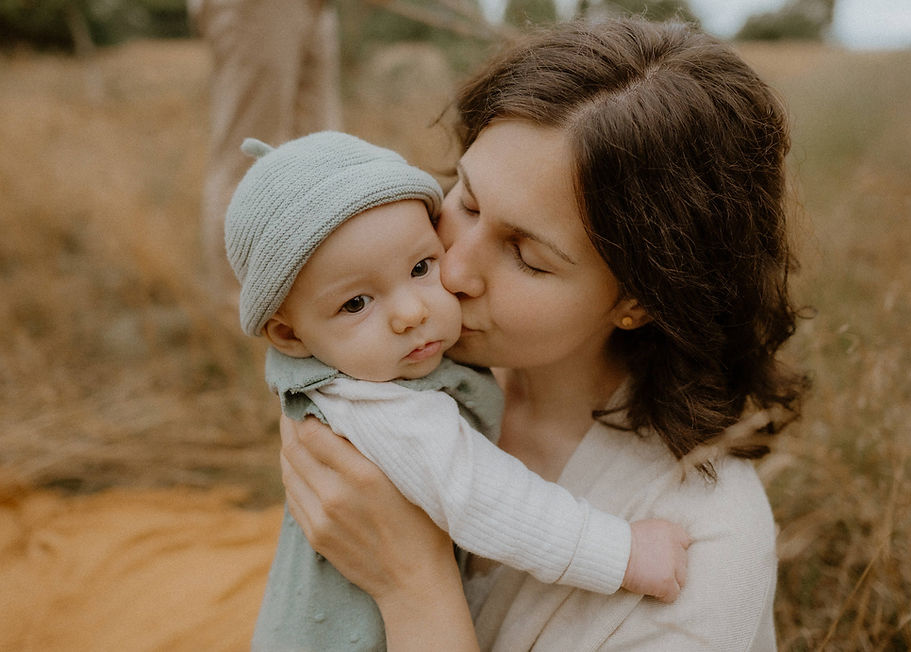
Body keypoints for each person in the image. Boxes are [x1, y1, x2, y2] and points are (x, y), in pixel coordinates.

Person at [276, 16, 809, 651]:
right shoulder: (405, 372)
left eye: (527, 255)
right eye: (467, 202)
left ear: (640, 300)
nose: (453, 268)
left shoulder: (707, 542)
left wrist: (413, 586)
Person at [223, 131, 692, 650]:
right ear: (288, 335)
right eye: (356, 303)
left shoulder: (362, 363)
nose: (411, 313)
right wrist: (621, 553)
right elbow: (484, 496)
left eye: (421, 267)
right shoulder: (381, 408)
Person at [189, 0, 343, 310]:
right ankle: (240, 305)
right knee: (247, 153)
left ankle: (310, 288)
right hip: (255, 7)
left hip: (315, 8)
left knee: (324, 150)